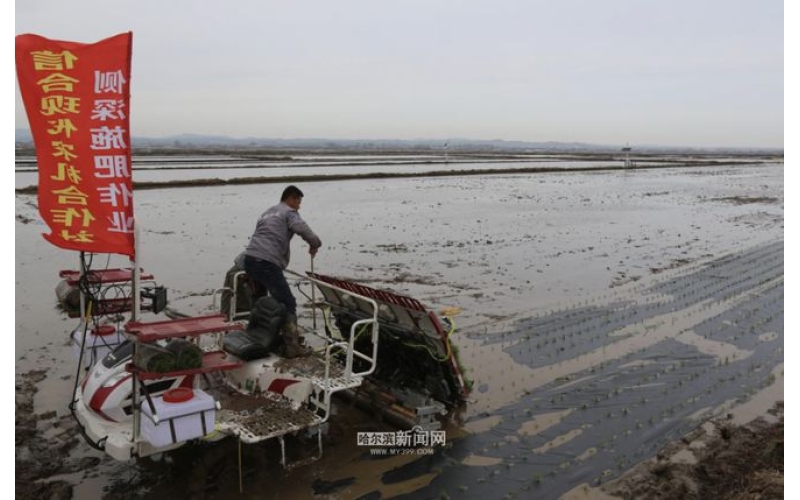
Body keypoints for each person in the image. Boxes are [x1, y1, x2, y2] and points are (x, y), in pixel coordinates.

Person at [243, 185, 322, 358]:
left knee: (261, 300)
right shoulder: (289, 213)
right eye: (298, 202)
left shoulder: (267, 212)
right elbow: (302, 229)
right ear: (292, 198)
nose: (299, 206)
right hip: (266, 262)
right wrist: (315, 244)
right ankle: (292, 346)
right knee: (288, 302)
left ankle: (259, 336)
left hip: (250, 259)